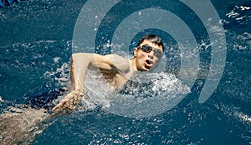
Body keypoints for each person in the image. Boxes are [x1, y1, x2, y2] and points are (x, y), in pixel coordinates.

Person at [0, 34, 164, 144]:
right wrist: (78, 90)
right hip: (53, 102)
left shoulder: (135, 75)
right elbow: (80, 57)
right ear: (136, 51)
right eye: (147, 49)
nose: (151, 55)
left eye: (157, 53)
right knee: (13, 134)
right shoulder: (122, 64)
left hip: (60, 106)